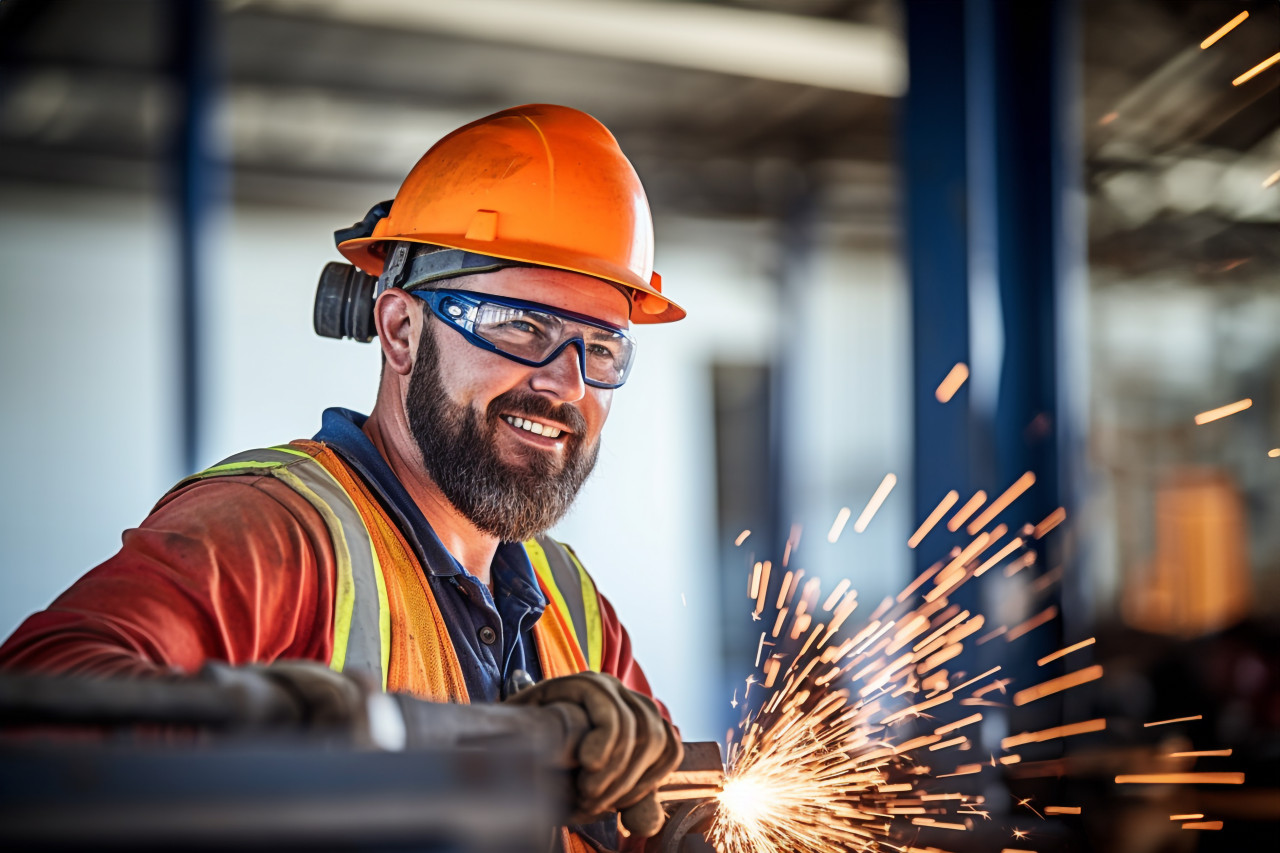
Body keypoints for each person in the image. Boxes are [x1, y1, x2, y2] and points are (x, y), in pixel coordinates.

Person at [0, 104, 688, 851]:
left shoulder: (571, 605)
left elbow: (665, 813)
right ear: (400, 330)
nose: (566, 383)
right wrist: (259, 740)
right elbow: (38, 706)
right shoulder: (271, 531)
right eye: (522, 325)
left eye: (601, 347)